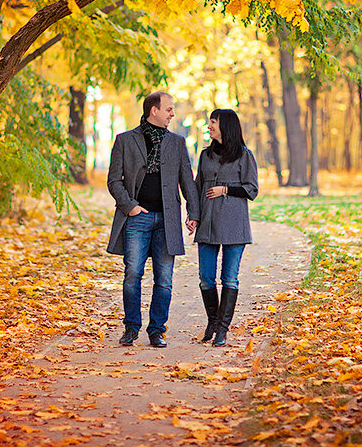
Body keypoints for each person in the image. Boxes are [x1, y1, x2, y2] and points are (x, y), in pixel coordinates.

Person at [107, 92, 200, 348]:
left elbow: (187, 182)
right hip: (137, 219)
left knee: (164, 280)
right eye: (169, 109)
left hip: (167, 221)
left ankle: (157, 330)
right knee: (132, 274)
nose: (172, 114)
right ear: (154, 110)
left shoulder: (177, 143)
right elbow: (114, 180)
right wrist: (131, 207)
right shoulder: (125, 141)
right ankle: (131, 328)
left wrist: (194, 213)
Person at [187, 109, 258, 347]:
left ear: (225, 125)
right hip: (207, 223)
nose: (209, 127)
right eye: (209, 123)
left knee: (230, 278)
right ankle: (213, 321)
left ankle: (222, 330)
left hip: (234, 225)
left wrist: (225, 189)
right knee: (206, 277)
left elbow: (252, 190)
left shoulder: (244, 155)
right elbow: (197, 188)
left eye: (213, 123)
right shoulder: (205, 155)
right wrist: (193, 216)